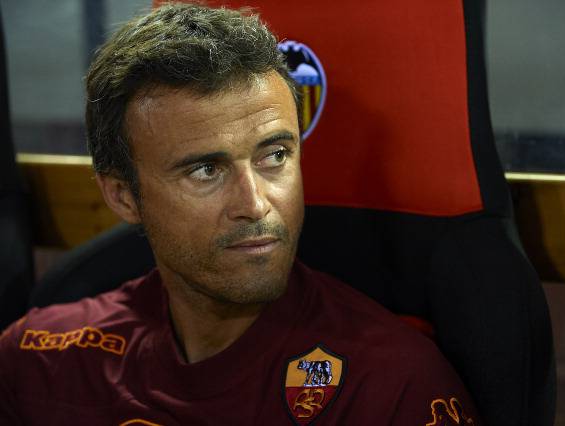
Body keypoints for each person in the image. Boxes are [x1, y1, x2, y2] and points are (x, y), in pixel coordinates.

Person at [0, 3, 481, 424]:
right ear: (124, 197)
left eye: (275, 156)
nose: (254, 204)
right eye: (206, 170)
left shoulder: (391, 387)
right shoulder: (40, 362)